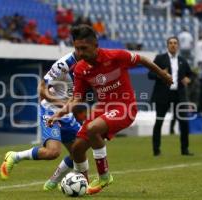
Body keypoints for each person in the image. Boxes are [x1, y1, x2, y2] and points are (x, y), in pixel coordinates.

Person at [47, 25, 173, 195]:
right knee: (77, 148)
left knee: (92, 129)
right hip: (103, 109)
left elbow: (142, 59)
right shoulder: (80, 69)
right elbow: (77, 98)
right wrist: (59, 113)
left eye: (84, 48)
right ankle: (82, 184)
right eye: (77, 48)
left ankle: (105, 176)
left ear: (95, 45)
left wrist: (163, 75)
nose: (80, 53)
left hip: (125, 108)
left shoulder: (116, 56)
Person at [0, 52, 84, 191]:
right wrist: (61, 103)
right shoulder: (63, 64)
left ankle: (53, 182)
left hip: (67, 115)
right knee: (52, 152)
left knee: (78, 152)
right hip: (50, 111)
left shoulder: (91, 64)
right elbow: (41, 89)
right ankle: (15, 156)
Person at [148, 36, 193, 156]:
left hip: (179, 94)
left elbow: (190, 74)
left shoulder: (182, 60)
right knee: (159, 122)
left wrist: (188, 79)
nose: (173, 45)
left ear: (178, 46)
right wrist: (161, 74)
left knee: (184, 122)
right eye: (171, 43)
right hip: (163, 94)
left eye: (175, 43)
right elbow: (150, 74)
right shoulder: (160, 58)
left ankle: (185, 149)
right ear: (167, 45)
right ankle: (156, 150)